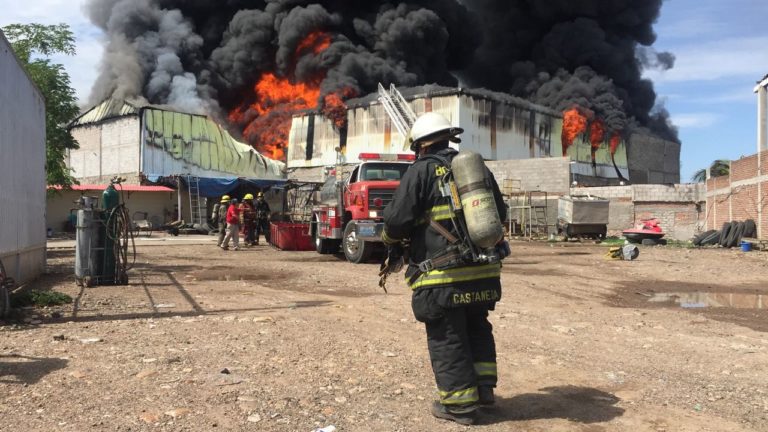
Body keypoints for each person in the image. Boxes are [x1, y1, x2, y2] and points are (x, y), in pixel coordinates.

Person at [382, 112, 507, 425]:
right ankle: (483, 391)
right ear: (447, 139)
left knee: (447, 336)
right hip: (483, 272)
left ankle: (460, 407)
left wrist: (388, 239)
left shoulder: (421, 171)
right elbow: (500, 212)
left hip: (442, 275)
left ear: (421, 145)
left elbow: (396, 221)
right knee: (477, 326)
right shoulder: (477, 169)